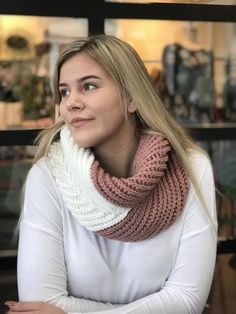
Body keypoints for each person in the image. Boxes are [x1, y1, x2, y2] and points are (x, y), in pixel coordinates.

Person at [5, 34, 217, 314]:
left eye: (89, 86)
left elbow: (187, 300)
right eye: (65, 91)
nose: (70, 103)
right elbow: (40, 302)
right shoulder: (48, 176)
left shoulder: (191, 167)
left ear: (131, 98)